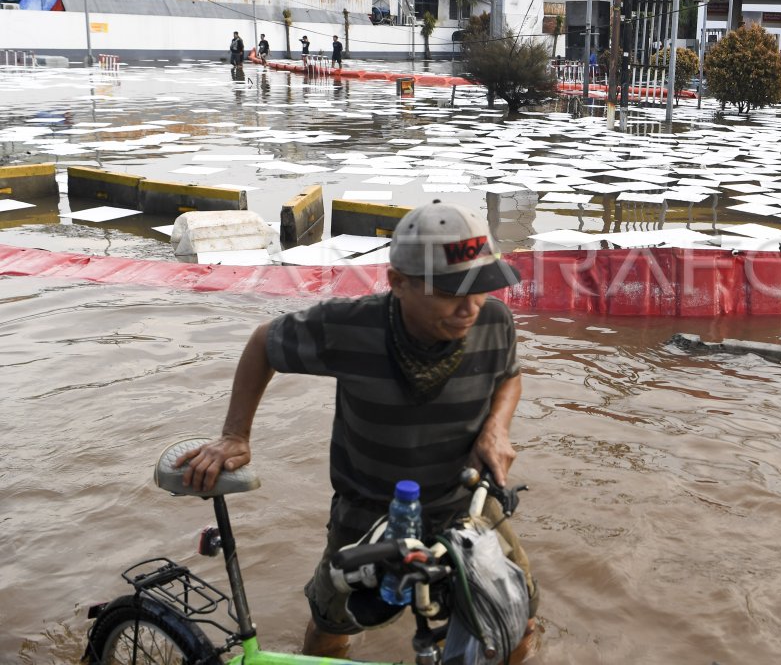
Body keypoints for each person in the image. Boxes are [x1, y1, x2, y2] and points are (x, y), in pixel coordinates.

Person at [176, 201, 537, 660]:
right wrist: (235, 435)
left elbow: (509, 375)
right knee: (331, 628)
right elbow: (264, 343)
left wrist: (496, 428)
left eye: (481, 288)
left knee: (515, 622)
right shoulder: (348, 327)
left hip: (464, 503)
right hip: (369, 513)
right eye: (450, 292)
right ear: (398, 283)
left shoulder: (494, 321)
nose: (470, 308)